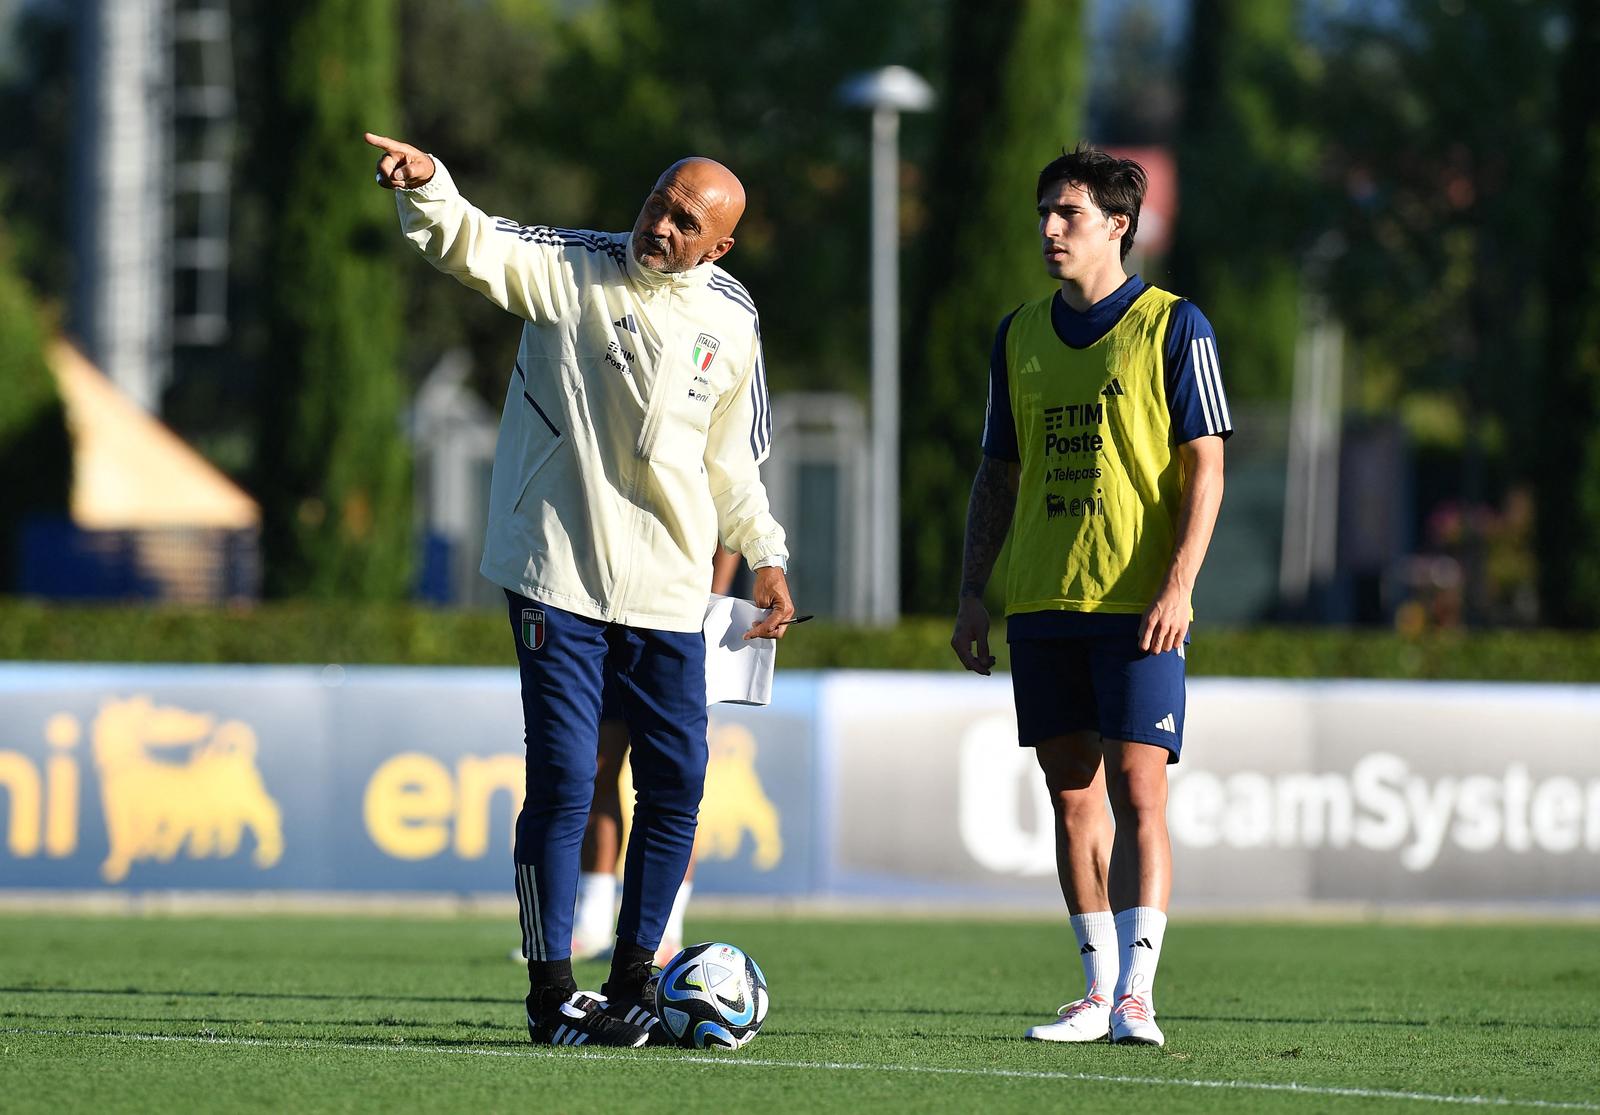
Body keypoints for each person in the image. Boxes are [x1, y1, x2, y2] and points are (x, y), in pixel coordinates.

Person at [368, 133, 796, 1048]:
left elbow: (735, 463)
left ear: (719, 247)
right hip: (554, 571)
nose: (661, 225)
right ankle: (552, 991)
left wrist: (766, 552)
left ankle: (638, 974)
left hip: (671, 592)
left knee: (677, 781)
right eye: (658, 203)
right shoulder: (574, 267)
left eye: (688, 222)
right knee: (566, 777)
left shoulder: (734, 318)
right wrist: (431, 187)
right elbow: (477, 243)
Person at [950, 144, 1229, 1048]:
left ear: (1118, 224)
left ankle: (1140, 995)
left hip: (1139, 604)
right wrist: (972, 597)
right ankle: (1095, 991)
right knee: (1071, 795)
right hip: (1041, 602)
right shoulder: (1018, 333)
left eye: (1067, 213)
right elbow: (996, 475)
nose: (1048, 228)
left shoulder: (1175, 325)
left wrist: (1180, 585)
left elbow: (1207, 467)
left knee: (1138, 788)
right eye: (1043, 212)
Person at [570, 545, 742, 966]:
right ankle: (591, 923)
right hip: (612, 613)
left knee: (672, 781)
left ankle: (665, 931)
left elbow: (729, 515)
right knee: (597, 768)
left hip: (678, 617)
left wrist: (710, 601)